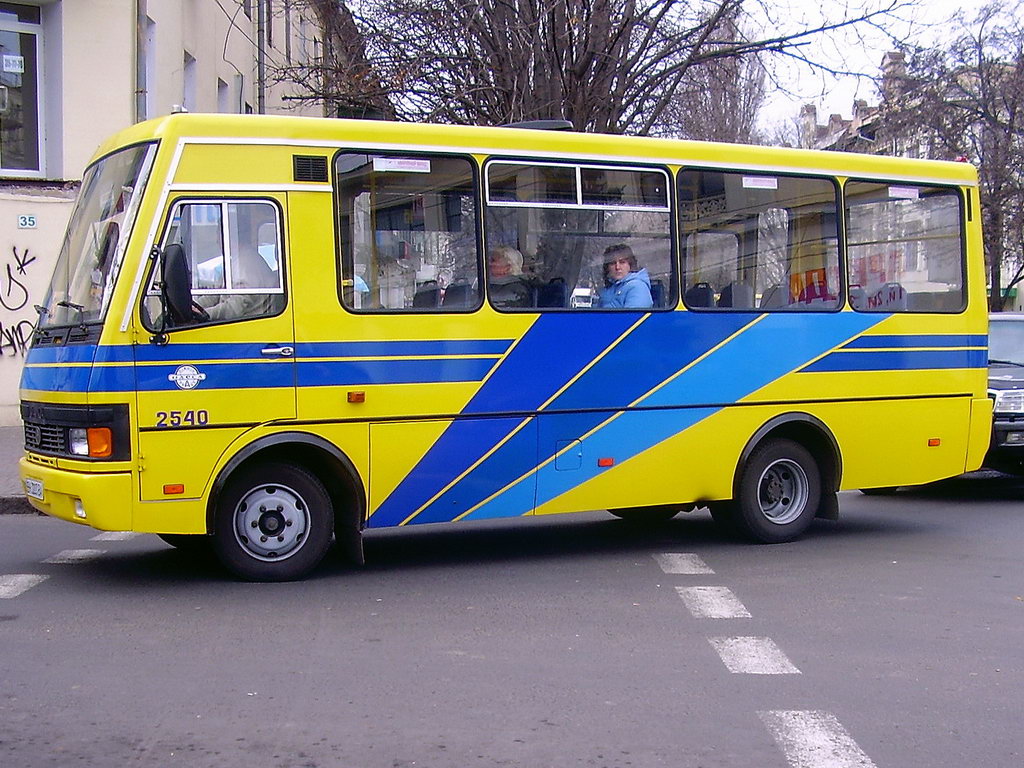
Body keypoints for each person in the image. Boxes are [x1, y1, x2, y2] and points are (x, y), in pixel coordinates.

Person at [598, 244, 653, 309]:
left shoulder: (637, 287)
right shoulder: (609, 288)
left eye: (622, 262)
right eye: (612, 263)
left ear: (630, 265)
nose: (617, 267)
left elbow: (632, 317)